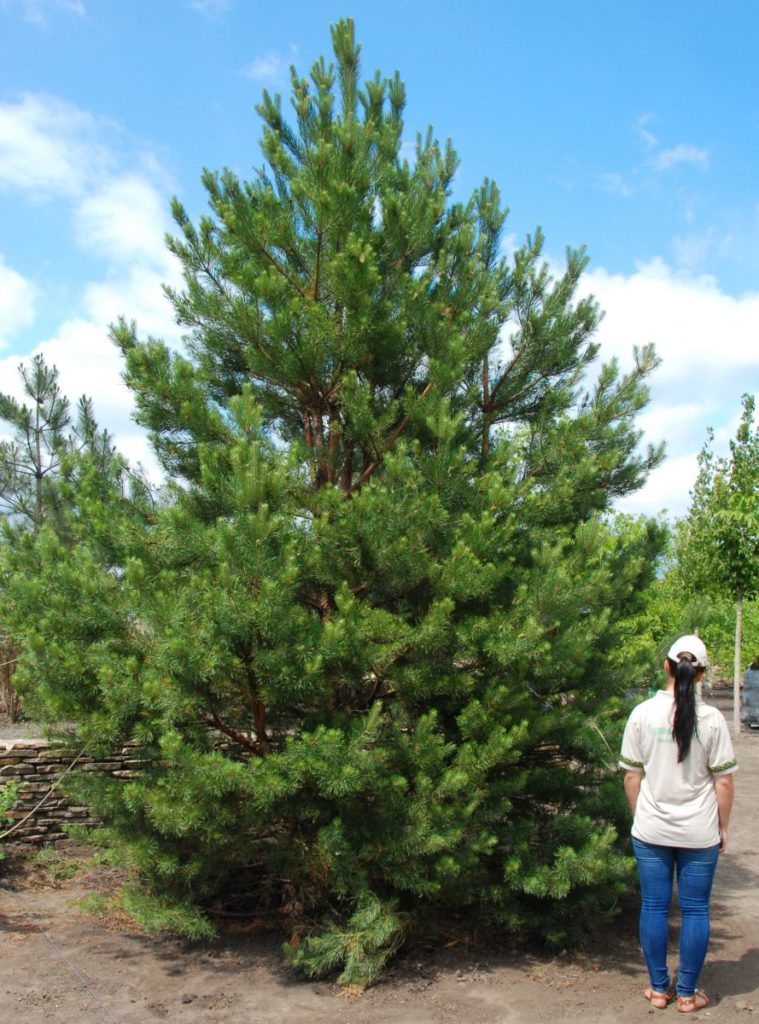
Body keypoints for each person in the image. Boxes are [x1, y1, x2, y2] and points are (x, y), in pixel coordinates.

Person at [619, 635, 737, 1013]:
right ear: (700, 675)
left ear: (666, 666)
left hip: (651, 829)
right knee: (696, 909)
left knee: (653, 906)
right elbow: (723, 781)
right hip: (698, 831)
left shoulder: (641, 714)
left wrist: (642, 817)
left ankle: (657, 989)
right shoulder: (713, 719)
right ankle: (687, 993)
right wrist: (722, 827)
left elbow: (631, 777)